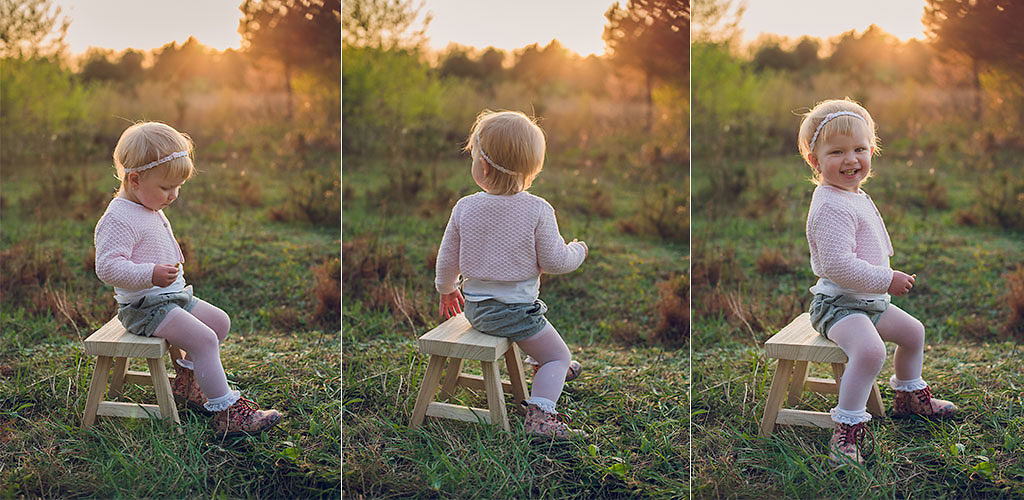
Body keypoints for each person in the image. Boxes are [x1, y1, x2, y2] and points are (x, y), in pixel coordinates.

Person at [94, 121, 281, 437]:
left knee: (219, 323)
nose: (174, 195)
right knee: (204, 339)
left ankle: (187, 382)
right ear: (135, 179)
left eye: (178, 186)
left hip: (170, 298)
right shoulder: (117, 219)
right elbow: (108, 268)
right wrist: (149, 274)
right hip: (144, 308)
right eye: (166, 188)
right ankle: (226, 413)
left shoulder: (144, 202)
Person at [799, 98, 957, 466]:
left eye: (859, 149)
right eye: (837, 152)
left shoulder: (851, 193)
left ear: (872, 150)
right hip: (837, 306)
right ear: (815, 160)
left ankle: (908, 398)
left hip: (867, 302)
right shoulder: (829, 205)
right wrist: (888, 279)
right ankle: (846, 430)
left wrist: (880, 287)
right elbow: (838, 266)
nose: (851, 159)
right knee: (870, 352)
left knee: (913, 332)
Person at [435, 110, 587, 439]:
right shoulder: (538, 210)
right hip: (513, 313)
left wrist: (447, 289)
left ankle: (538, 359)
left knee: (532, 326)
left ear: (484, 167)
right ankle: (541, 415)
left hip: (476, 309)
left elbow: (448, 258)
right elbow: (555, 261)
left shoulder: (464, 207)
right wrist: (578, 249)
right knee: (560, 356)